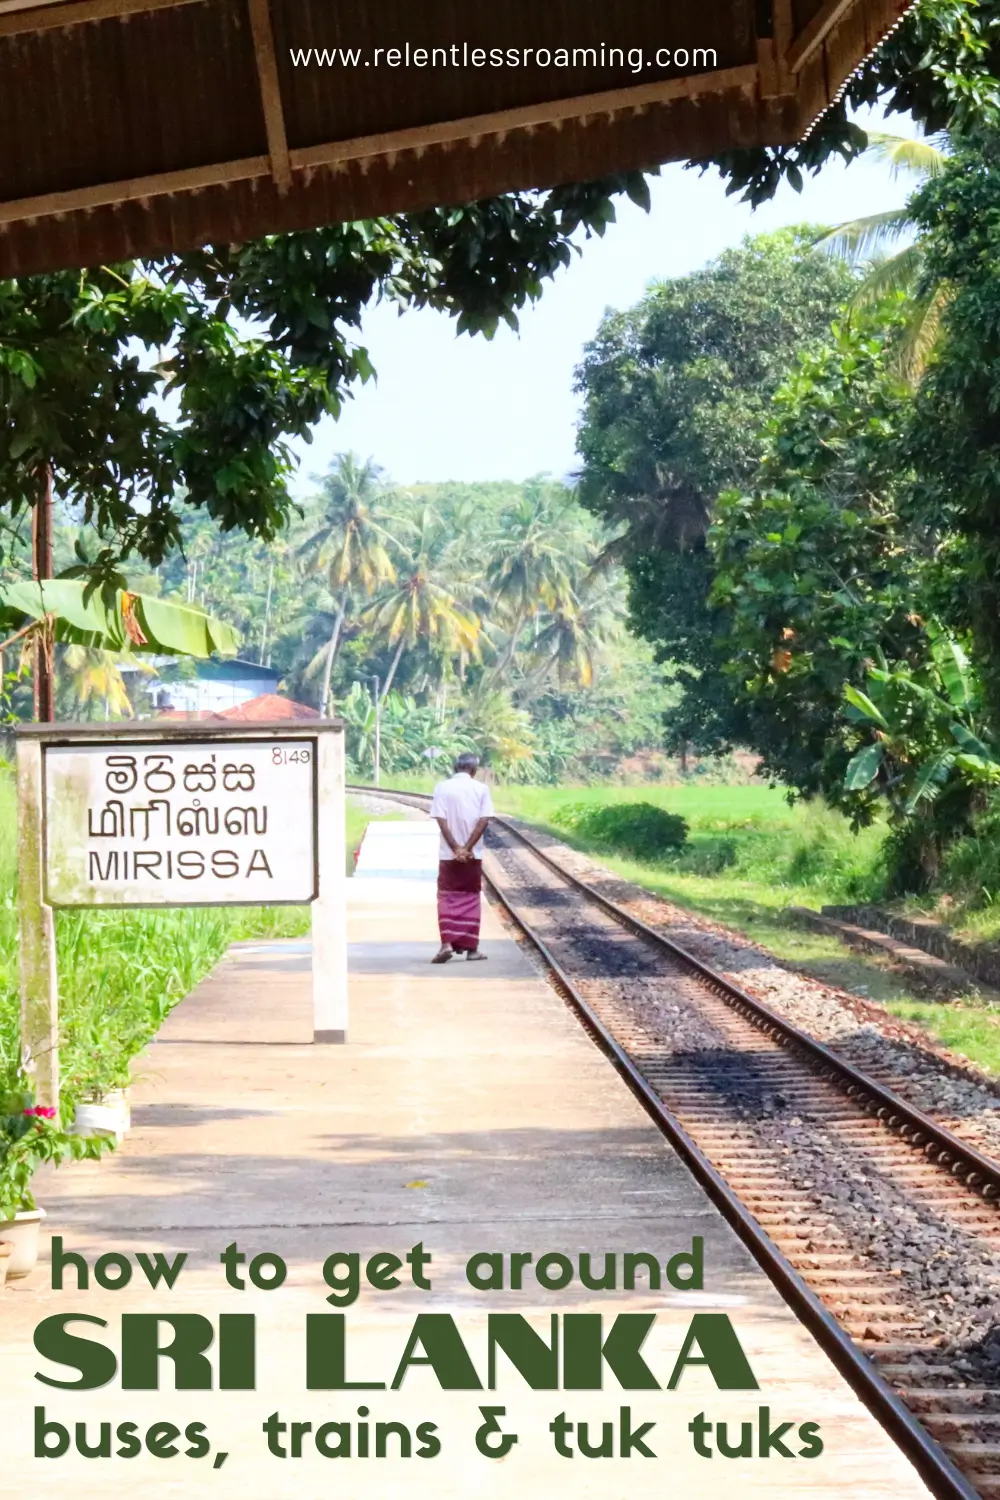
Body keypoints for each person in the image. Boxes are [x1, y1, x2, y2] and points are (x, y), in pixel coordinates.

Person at [429, 750, 493, 963]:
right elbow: (484, 821)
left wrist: (455, 848)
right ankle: (472, 949)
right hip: (472, 856)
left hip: (448, 856)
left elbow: (441, 820)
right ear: (474, 770)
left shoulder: (442, 787)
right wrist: (466, 848)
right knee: (471, 898)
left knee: (447, 896)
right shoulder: (481, 789)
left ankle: (446, 944)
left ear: (456, 768)